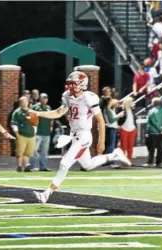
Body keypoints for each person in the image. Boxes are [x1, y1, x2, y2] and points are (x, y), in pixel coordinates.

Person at [32, 71, 131, 204]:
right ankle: (114, 155)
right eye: (70, 84)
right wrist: (38, 113)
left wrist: (101, 141)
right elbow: (58, 112)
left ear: (82, 85)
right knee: (88, 165)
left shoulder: (89, 98)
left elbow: (101, 121)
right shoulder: (67, 96)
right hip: (74, 135)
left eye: (74, 84)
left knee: (64, 163)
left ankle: (47, 193)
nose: (70, 86)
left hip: (84, 135)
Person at [11, 96, 36, 172]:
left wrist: (35, 133)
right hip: (22, 135)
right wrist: (17, 134)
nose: (24, 103)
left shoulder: (32, 111)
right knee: (20, 151)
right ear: (20, 103)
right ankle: (19, 166)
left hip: (31, 135)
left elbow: (35, 123)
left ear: (28, 102)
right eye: (23, 102)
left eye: (25, 101)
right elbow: (14, 124)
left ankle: (26, 166)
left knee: (28, 152)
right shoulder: (17, 112)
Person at [144, 98, 162, 168]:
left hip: (153, 132)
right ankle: (159, 163)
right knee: (161, 148)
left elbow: (154, 122)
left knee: (151, 148)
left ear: (154, 103)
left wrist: (160, 129)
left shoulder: (152, 111)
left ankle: (150, 162)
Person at [32, 93, 52, 171]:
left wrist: (51, 126)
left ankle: (43, 167)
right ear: (40, 98)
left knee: (44, 151)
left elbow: (51, 118)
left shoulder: (48, 107)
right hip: (38, 132)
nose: (45, 99)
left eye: (46, 98)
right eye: (43, 98)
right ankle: (31, 166)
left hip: (46, 133)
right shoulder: (35, 107)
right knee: (34, 150)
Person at [103, 97, 124, 167]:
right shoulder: (108, 110)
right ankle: (108, 160)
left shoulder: (110, 110)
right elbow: (111, 120)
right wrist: (119, 115)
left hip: (112, 128)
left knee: (111, 146)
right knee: (110, 146)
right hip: (110, 129)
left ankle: (108, 160)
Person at [118, 97, 137, 162]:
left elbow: (134, 119)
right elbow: (118, 120)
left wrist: (135, 127)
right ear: (128, 103)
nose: (132, 103)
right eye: (131, 102)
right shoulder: (121, 110)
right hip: (124, 129)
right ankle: (123, 160)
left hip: (132, 129)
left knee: (130, 146)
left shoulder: (133, 110)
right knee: (123, 146)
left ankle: (129, 160)